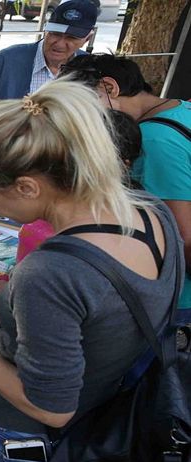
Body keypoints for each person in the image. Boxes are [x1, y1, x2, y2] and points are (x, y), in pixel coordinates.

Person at [0, 79, 184, 462]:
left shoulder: (50, 272)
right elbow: (106, 311)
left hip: (20, 445)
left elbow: (50, 407)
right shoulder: (147, 211)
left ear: (27, 187)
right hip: (107, 411)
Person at [59, 53, 190, 325]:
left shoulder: (154, 140)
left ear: (109, 88)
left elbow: (183, 235)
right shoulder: (182, 109)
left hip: (175, 293)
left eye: (84, 109)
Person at [0, 0, 96, 129]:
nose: (59, 44)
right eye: (54, 34)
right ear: (46, 29)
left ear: (87, 38)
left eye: (71, 38)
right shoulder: (6, 60)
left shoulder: (91, 69)